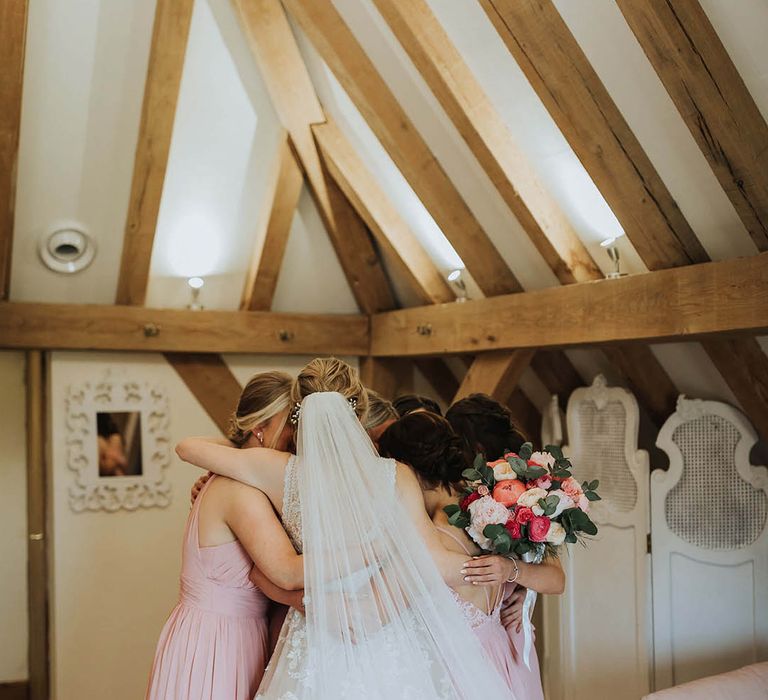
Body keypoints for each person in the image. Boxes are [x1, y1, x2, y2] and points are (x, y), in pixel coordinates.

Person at [176, 358, 516, 699]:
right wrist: (502, 568)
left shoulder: (277, 470)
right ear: (360, 410)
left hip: (315, 633)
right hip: (387, 638)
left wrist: (231, 458)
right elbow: (431, 561)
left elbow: (188, 448)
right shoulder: (396, 476)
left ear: (299, 412)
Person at [379, 411, 563, 696]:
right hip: (505, 658)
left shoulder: (434, 538)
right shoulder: (491, 516)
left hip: (461, 672)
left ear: (407, 470)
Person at [146, 372, 305, 700]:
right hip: (216, 645)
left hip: (227, 635)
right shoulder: (239, 491)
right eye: (290, 419)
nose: (296, 431)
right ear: (259, 426)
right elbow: (287, 571)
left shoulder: (241, 481)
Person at [447, 393, 561, 700]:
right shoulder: (459, 496)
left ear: (476, 447)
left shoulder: (523, 496)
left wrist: (514, 574)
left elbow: (556, 579)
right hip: (470, 640)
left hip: (509, 636)